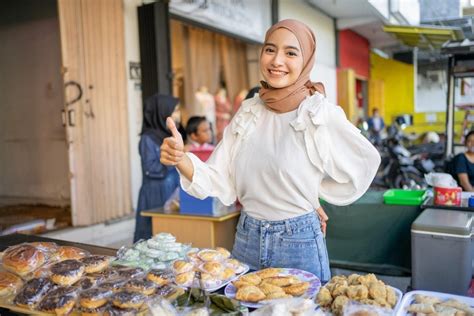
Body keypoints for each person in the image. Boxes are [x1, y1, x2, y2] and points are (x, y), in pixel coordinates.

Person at [160, 19, 380, 281]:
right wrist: (181, 158)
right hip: (246, 238)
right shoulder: (249, 111)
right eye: (269, 49)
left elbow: (363, 163)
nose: (277, 60)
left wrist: (312, 195)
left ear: (306, 60)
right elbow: (221, 176)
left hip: (298, 243)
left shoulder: (318, 113)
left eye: (290, 52)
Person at [133, 94, 182, 242]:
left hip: (170, 190)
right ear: (162, 112)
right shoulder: (147, 139)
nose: (178, 114)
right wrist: (171, 160)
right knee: (154, 236)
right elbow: (151, 168)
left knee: (171, 236)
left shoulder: (167, 135)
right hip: (155, 194)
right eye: (175, 110)